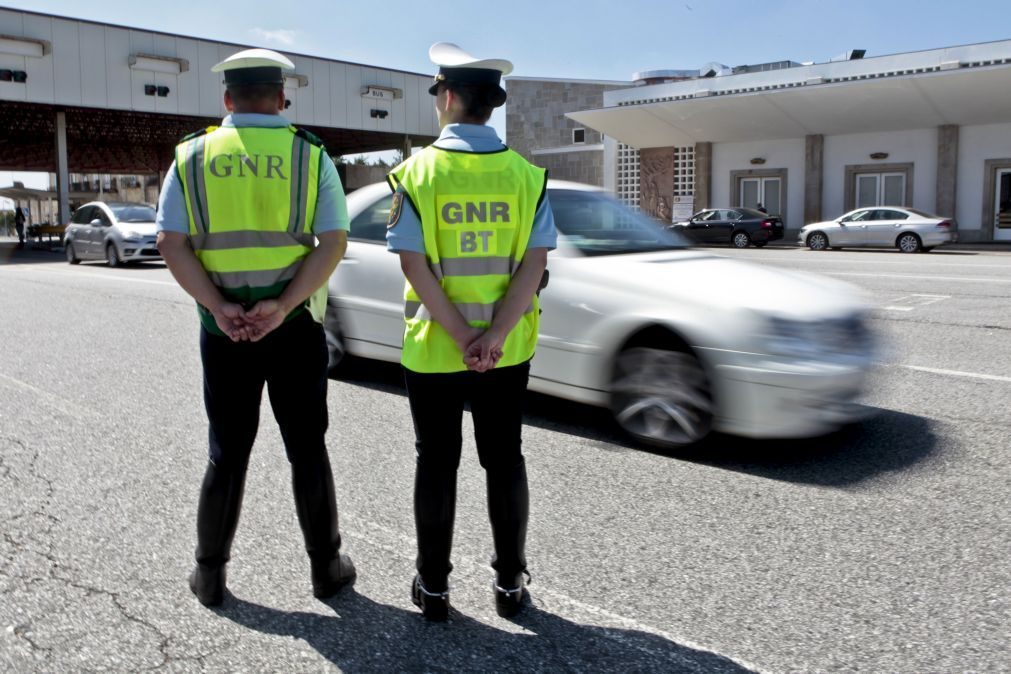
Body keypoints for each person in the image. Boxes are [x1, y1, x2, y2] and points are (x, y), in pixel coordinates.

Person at [155, 48, 355, 607]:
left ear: (227, 99)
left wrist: (219, 306)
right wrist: (286, 304)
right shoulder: (311, 157)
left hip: (225, 333)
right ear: (281, 98)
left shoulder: (190, 157)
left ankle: (210, 575)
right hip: (292, 331)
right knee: (307, 449)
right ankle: (325, 570)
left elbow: (171, 242)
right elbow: (332, 242)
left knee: (227, 451)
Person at [386, 42, 557, 621]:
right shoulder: (527, 176)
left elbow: (414, 264)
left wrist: (461, 337)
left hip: (435, 349)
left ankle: (433, 589)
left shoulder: (415, 173)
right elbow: (533, 266)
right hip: (507, 351)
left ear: (451, 98)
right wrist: (491, 338)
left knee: (436, 462)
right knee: (504, 459)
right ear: (492, 106)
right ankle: (510, 585)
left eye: (438, 95)